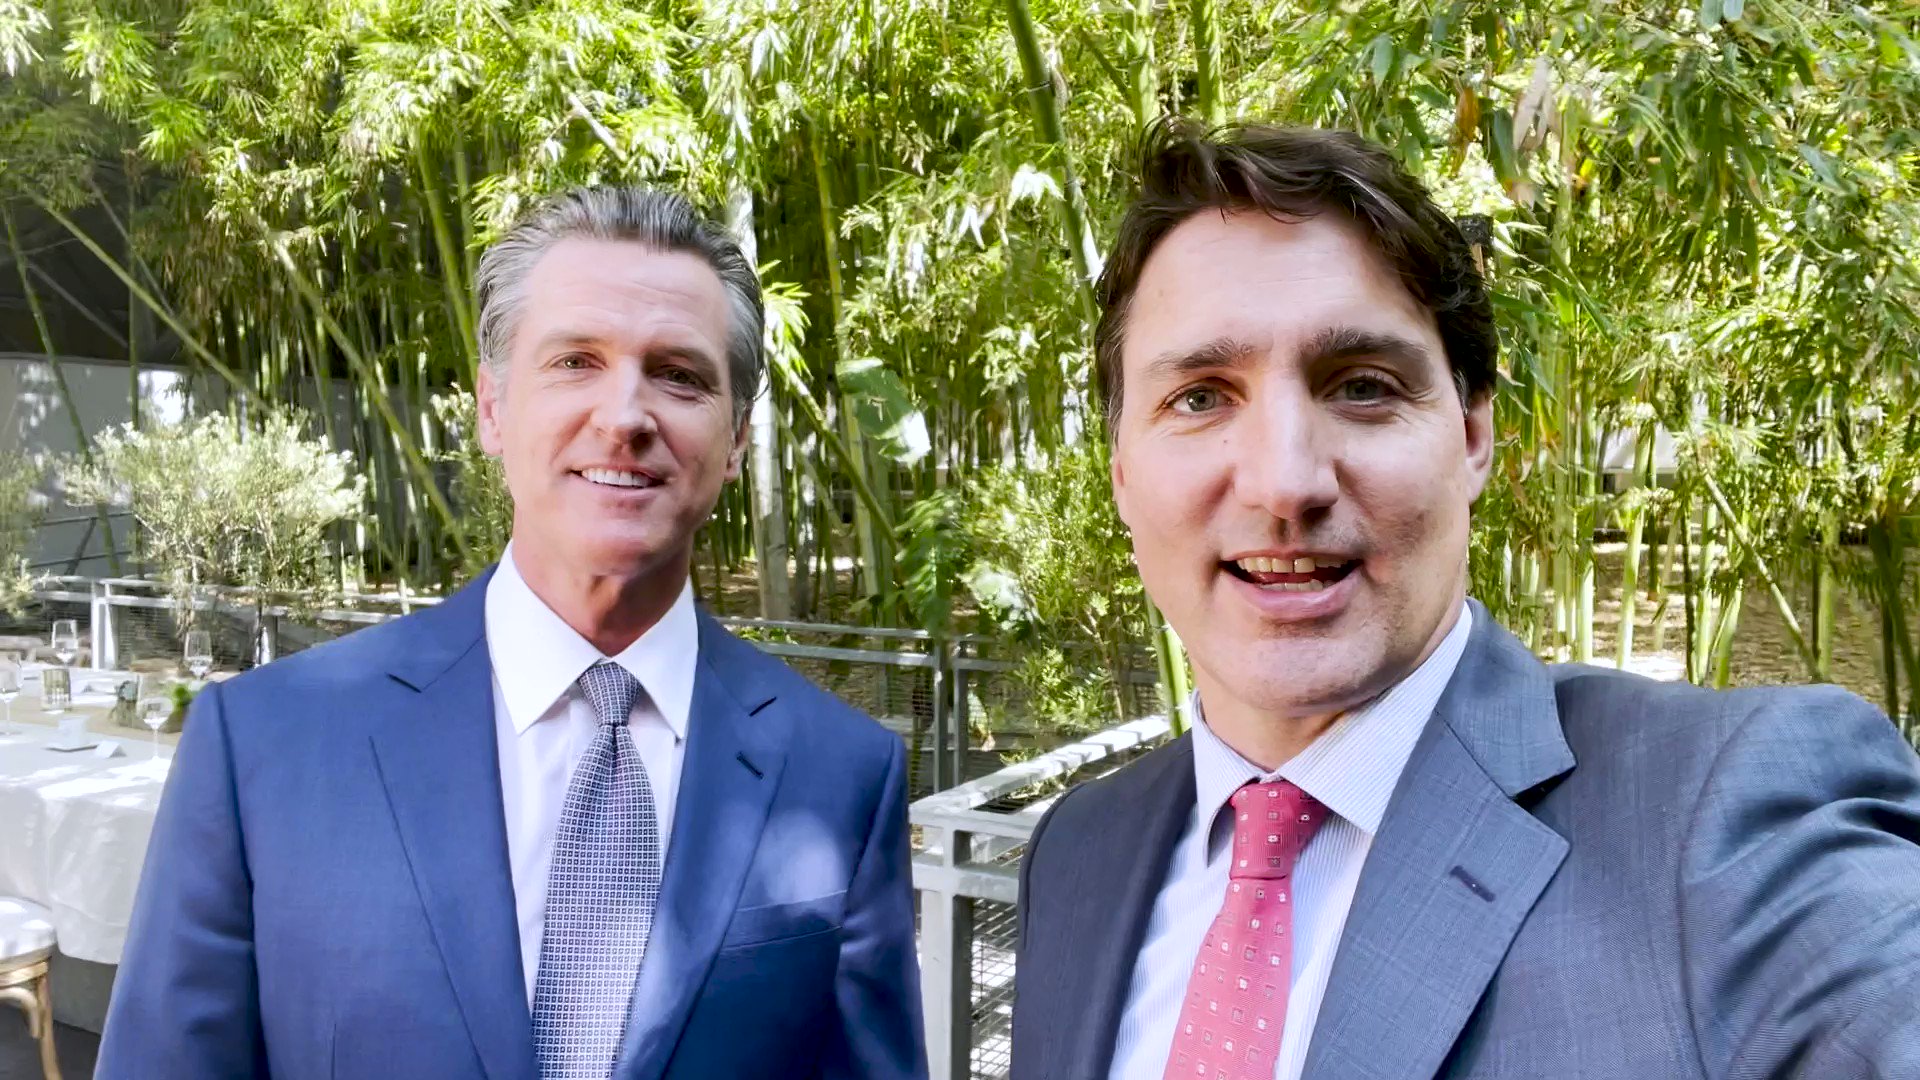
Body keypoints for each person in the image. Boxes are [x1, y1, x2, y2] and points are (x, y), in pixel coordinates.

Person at [1011, 120, 1920, 1080]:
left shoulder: (1729, 819)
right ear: (1120, 472)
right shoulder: (1078, 851)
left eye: (1362, 387)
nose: (1284, 482)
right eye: (1199, 397)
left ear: (1474, 435)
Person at [99, 187, 926, 1080]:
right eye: (575, 361)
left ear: (735, 441)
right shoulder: (264, 745)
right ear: (492, 410)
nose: (624, 416)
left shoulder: (841, 774)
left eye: (679, 375)